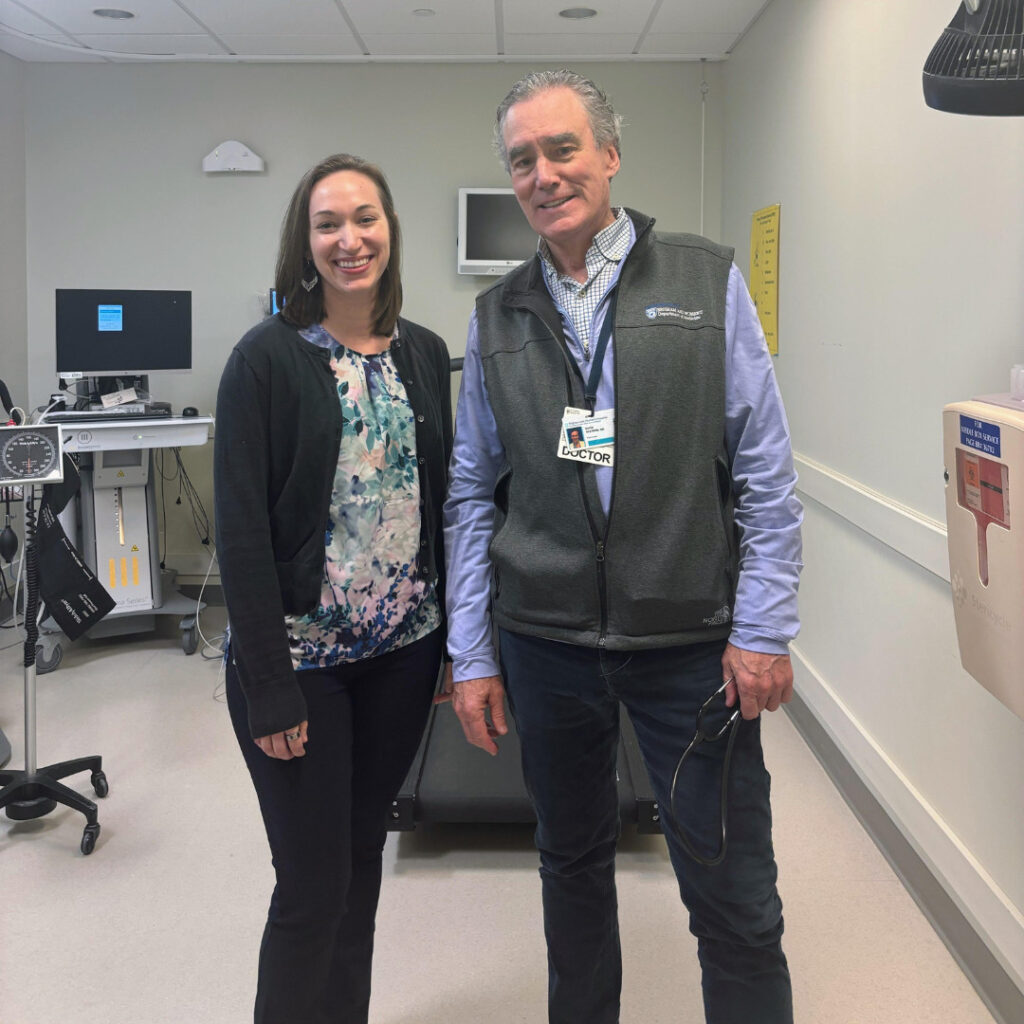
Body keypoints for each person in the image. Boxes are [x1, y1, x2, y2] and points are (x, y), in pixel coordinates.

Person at [442, 70, 802, 1024]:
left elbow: (764, 466)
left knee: (733, 896)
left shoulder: (702, 276)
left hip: (686, 646)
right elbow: (474, 491)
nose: (544, 173)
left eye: (563, 149)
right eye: (523, 159)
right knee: (569, 868)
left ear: (608, 154)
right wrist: (472, 653)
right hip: (546, 644)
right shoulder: (498, 315)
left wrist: (763, 628)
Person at [214, 153, 452, 1024]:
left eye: (366, 218)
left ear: (389, 228)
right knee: (311, 885)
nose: (349, 239)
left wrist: (455, 649)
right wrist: (270, 688)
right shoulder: (266, 360)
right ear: (303, 243)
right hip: (300, 662)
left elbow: (441, 509)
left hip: (400, 656)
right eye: (328, 224)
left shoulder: (423, 354)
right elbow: (239, 532)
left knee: (359, 863)